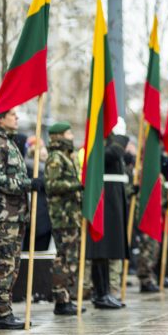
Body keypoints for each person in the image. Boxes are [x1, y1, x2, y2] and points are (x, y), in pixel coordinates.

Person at [0, 108, 40, 330]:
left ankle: (4, 311)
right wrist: (28, 185)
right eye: (12, 115)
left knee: (13, 265)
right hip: (3, 214)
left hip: (15, 213)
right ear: (0, 118)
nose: (16, 118)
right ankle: (1, 313)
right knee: (4, 264)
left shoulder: (9, 141)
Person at [44, 122, 85, 315]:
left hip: (71, 214)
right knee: (64, 257)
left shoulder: (68, 155)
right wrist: (77, 185)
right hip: (62, 215)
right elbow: (52, 184)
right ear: (59, 135)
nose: (71, 135)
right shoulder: (56, 157)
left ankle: (67, 296)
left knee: (71, 258)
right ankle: (61, 298)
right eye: (68, 133)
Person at [88, 118, 130, 309]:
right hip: (103, 198)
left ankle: (105, 292)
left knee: (108, 249)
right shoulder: (99, 141)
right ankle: (100, 293)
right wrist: (121, 137)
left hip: (113, 197)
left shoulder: (109, 141)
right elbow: (113, 153)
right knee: (100, 249)